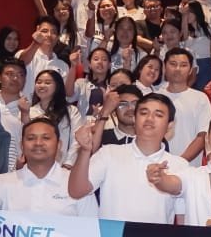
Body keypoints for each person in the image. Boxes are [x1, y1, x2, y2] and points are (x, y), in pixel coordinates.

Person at [69, 94, 188, 223]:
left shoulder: (180, 165)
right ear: (135, 119)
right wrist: (85, 151)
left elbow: (182, 219)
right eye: (143, 113)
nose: (149, 118)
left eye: (158, 115)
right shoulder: (109, 153)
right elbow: (76, 191)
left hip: (155, 236)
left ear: (170, 125)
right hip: (112, 235)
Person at [0, 117, 98, 217]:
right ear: (21, 146)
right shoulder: (2, 182)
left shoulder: (77, 185)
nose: (38, 143)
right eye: (31, 138)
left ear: (59, 145)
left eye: (46, 138)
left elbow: (92, 228)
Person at [28, 70, 82, 166]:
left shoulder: (71, 111)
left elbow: (77, 140)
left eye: (47, 83)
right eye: (39, 82)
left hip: (63, 167)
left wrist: (68, 163)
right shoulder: (29, 112)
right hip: (35, 166)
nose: (42, 85)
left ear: (57, 86)